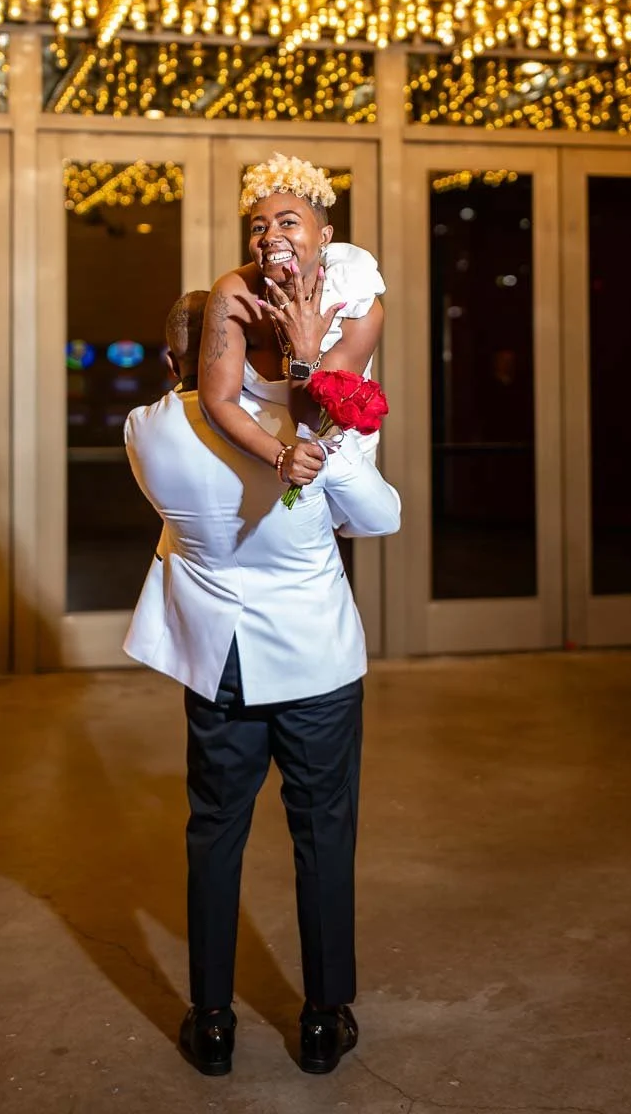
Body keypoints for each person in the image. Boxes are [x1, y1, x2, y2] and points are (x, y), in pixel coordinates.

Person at [124, 289, 402, 1078]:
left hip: (220, 665)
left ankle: (209, 1021)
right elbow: (377, 519)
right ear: (246, 355)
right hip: (313, 664)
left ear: (172, 359)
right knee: (322, 835)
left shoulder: (144, 429)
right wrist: (324, 411)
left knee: (213, 832)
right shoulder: (296, 435)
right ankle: (323, 1018)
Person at [199, 154, 386, 497]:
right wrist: (280, 455)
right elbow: (218, 399)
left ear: (324, 235)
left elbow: (312, 422)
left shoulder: (358, 304)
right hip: (253, 444)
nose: (270, 236)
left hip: (329, 444)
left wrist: (304, 353)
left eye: (287, 223)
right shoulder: (232, 294)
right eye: (259, 227)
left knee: (376, 519)